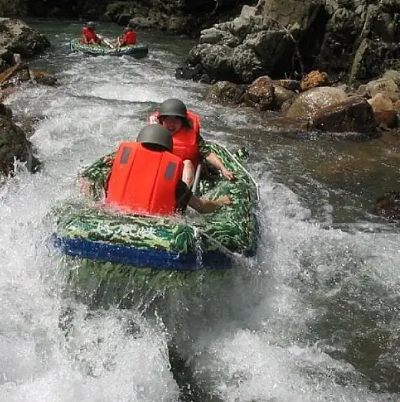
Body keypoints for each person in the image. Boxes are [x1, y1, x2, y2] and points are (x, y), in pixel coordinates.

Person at [105, 125, 231, 215]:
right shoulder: (174, 184)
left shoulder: (116, 172)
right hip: (156, 227)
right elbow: (201, 207)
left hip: (117, 216)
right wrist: (221, 202)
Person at [148, 98, 234, 187]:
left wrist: (223, 169)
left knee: (188, 163)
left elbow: (207, 153)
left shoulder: (192, 134)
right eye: (168, 119)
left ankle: (184, 193)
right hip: (164, 170)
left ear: (183, 122)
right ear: (161, 121)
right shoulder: (153, 133)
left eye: (176, 120)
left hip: (184, 171)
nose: (172, 124)